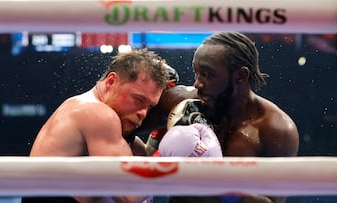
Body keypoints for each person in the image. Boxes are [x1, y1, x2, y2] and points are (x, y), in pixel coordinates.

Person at [141, 32, 300, 203]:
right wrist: (155, 151)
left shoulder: (276, 130)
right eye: (197, 73)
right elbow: (120, 132)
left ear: (240, 76)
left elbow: (273, 201)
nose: (197, 84)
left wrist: (216, 183)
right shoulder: (179, 102)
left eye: (208, 75)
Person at [21, 48, 170, 203]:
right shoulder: (99, 114)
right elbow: (128, 195)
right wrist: (168, 155)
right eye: (138, 99)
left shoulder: (81, 107)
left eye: (150, 107)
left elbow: (141, 171)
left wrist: (157, 141)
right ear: (111, 81)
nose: (143, 113)